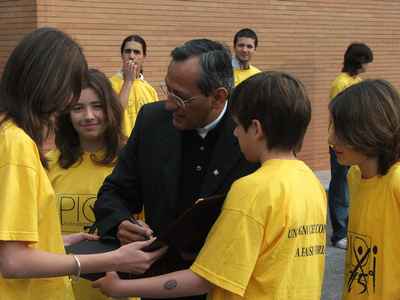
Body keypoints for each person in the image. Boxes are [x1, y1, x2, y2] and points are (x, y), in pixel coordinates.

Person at [93, 71, 327, 300]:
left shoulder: (252, 190)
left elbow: (204, 279)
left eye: (237, 125)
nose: (234, 133)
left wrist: (121, 288)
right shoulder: (311, 182)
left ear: (256, 129)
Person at [0, 27, 166, 300]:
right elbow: (13, 261)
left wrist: (52, 242)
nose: (69, 102)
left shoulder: (8, 135)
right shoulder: (16, 144)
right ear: (49, 81)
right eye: (72, 92)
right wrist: (109, 260)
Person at [93, 38, 258, 300]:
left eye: (180, 97)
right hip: (158, 284)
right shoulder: (152, 121)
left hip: (226, 287)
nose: (169, 104)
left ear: (218, 97)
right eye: (168, 90)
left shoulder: (252, 133)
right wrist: (120, 222)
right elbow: (113, 193)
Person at [47, 68, 126, 300]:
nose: (89, 115)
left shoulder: (130, 163)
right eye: (78, 108)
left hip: (116, 293)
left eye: (97, 106)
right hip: (56, 291)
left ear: (111, 109)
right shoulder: (48, 164)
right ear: (66, 115)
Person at [328, 79, 400, 299]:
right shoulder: (355, 175)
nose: (330, 139)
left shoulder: (396, 182)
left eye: (341, 130)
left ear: (371, 130)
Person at [328, 43, 373, 249]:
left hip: (356, 141)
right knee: (339, 185)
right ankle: (338, 233)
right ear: (358, 61)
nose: (367, 66)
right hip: (341, 142)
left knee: (351, 184)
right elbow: (339, 116)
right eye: (365, 61)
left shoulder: (358, 81)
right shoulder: (341, 83)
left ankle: (348, 227)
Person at [110, 34, 159, 136]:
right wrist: (128, 81)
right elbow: (114, 115)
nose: (131, 56)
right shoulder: (109, 84)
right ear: (122, 55)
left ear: (143, 57)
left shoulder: (150, 90)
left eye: (136, 52)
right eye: (127, 51)